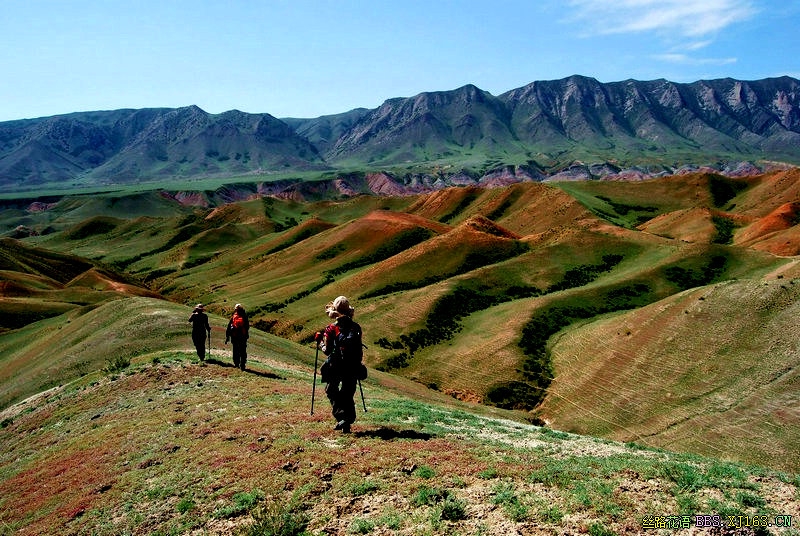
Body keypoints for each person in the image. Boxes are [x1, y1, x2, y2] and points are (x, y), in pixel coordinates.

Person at [315, 296, 363, 433]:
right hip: (352, 366)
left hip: (335, 366)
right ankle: (347, 419)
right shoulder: (356, 327)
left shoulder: (331, 329)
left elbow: (327, 351)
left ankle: (342, 417)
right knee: (347, 393)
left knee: (331, 390)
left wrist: (320, 342)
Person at [225, 303, 249, 370]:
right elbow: (247, 327)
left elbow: (229, 326)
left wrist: (228, 336)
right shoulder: (244, 316)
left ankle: (237, 364)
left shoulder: (234, 316)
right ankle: (242, 365)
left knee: (236, 350)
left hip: (235, 336)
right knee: (242, 351)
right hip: (242, 337)